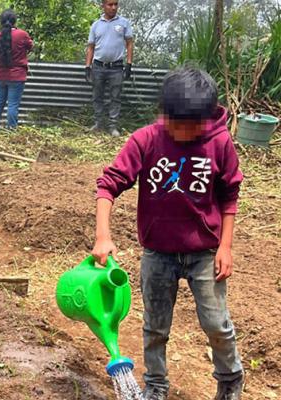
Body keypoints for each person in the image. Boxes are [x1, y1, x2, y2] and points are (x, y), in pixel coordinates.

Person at [92, 68, 244, 400]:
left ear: (207, 119)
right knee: (155, 326)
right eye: (176, 124)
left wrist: (226, 246)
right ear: (164, 114)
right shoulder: (146, 140)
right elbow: (108, 186)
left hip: (204, 253)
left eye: (192, 126)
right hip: (158, 252)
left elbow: (229, 194)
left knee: (216, 323)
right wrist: (103, 235)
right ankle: (156, 385)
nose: (183, 132)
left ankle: (230, 380)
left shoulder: (219, 142)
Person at [85, 0, 134, 137]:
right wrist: (87, 66)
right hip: (98, 66)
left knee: (115, 97)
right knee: (97, 96)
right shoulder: (96, 25)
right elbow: (90, 47)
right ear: (103, 5)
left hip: (116, 67)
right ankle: (98, 124)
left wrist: (129, 64)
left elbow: (129, 43)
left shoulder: (124, 23)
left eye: (116, 4)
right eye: (110, 4)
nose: (113, 7)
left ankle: (113, 126)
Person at [0, 9, 33, 133]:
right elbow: (30, 47)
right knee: (12, 105)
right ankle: (11, 131)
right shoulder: (22, 35)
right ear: (14, 21)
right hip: (17, 76)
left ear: (1, 22)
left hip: (0, 76)